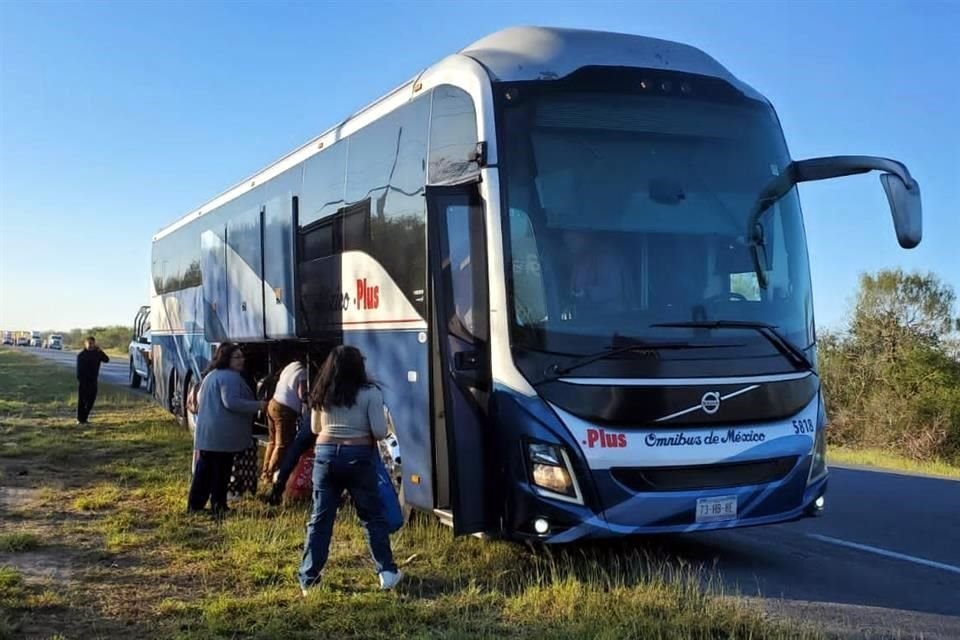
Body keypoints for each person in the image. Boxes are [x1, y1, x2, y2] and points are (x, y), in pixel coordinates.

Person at [298, 345, 401, 594]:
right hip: (358, 457)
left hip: (324, 457)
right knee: (371, 517)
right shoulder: (370, 393)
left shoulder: (321, 392)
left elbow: (314, 429)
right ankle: (387, 572)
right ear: (359, 366)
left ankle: (309, 578)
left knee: (320, 519)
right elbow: (379, 432)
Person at [187, 343, 266, 516]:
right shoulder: (230, 378)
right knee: (220, 472)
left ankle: (195, 505)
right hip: (221, 436)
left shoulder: (212, 375)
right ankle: (218, 505)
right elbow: (231, 402)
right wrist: (259, 405)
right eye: (236, 357)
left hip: (209, 434)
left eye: (241, 357)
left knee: (205, 471)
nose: (241, 360)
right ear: (226, 358)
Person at [261, 357, 307, 483]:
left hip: (273, 403)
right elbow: (301, 393)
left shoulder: (289, 367)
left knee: (272, 441)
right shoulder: (303, 371)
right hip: (285, 409)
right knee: (281, 444)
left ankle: (265, 472)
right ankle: (270, 475)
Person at [76, 336, 109, 425]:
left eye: (92, 343)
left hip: (93, 381)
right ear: (85, 344)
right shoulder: (81, 355)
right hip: (83, 381)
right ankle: (80, 419)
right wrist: (81, 380)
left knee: (91, 401)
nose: (90, 345)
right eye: (89, 343)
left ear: (95, 344)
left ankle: (84, 418)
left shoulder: (97, 354)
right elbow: (79, 370)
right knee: (82, 401)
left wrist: (100, 350)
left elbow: (106, 360)